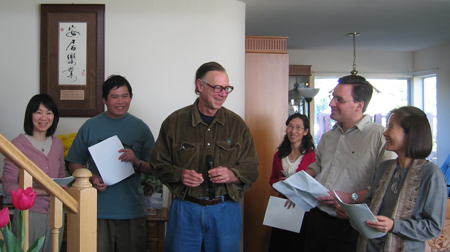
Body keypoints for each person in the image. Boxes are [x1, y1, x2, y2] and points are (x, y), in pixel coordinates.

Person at [149, 61, 259, 252]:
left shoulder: (237, 125)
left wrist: (233, 174)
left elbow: (252, 167)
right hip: (185, 209)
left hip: (225, 210)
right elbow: (157, 164)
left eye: (227, 88)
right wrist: (179, 174)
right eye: (217, 87)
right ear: (200, 86)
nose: (223, 94)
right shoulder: (174, 122)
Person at [303, 75, 395, 252]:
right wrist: (299, 180)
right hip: (316, 218)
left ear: (359, 105)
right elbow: (318, 166)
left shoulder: (380, 138)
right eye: (332, 98)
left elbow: (385, 184)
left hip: (350, 223)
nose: (331, 103)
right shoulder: (329, 136)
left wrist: (350, 197)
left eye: (339, 100)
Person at [66, 75, 155, 252]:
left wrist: (136, 161)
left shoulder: (141, 128)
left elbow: (154, 169)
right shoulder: (90, 126)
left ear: (131, 97)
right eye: (114, 97)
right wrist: (91, 177)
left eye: (125, 96)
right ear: (104, 100)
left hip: (132, 211)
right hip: (97, 210)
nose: (121, 101)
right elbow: (74, 163)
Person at [353, 106, 447, 251]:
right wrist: (352, 211)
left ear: (411, 134)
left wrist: (394, 225)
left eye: (391, 127)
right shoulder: (384, 168)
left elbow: (433, 227)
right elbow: (370, 205)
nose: (385, 132)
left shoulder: (431, 174)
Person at [3, 93, 66, 252]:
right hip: (29, 214)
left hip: (56, 213)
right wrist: (42, 191)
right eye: (38, 112)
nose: (44, 117)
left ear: (54, 116)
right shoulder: (17, 144)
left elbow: (62, 178)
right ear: (30, 115)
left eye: (49, 112)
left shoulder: (57, 143)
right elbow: (8, 186)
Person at [268, 113, 316, 252]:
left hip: (304, 207)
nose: (293, 131)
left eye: (298, 127)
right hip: (283, 205)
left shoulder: (312, 155)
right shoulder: (278, 155)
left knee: (299, 245)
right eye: (290, 126)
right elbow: (272, 179)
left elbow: (315, 182)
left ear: (305, 131)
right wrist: (282, 184)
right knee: (280, 244)